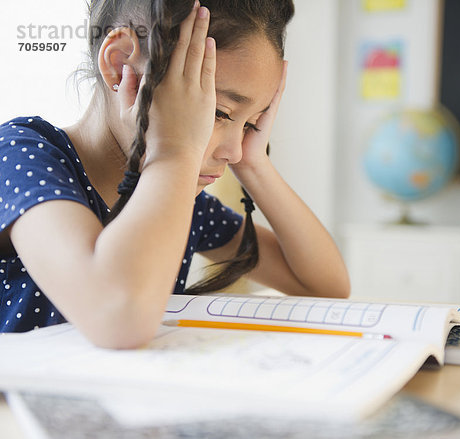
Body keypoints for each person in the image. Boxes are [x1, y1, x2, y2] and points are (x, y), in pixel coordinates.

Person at [0, 0, 350, 347]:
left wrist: (255, 165)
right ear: (122, 66)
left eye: (252, 124)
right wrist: (174, 151)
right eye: (221, 113)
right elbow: (116, 317)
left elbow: (324, 287)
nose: (235, 150)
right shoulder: (20, 155)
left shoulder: (179, 197)